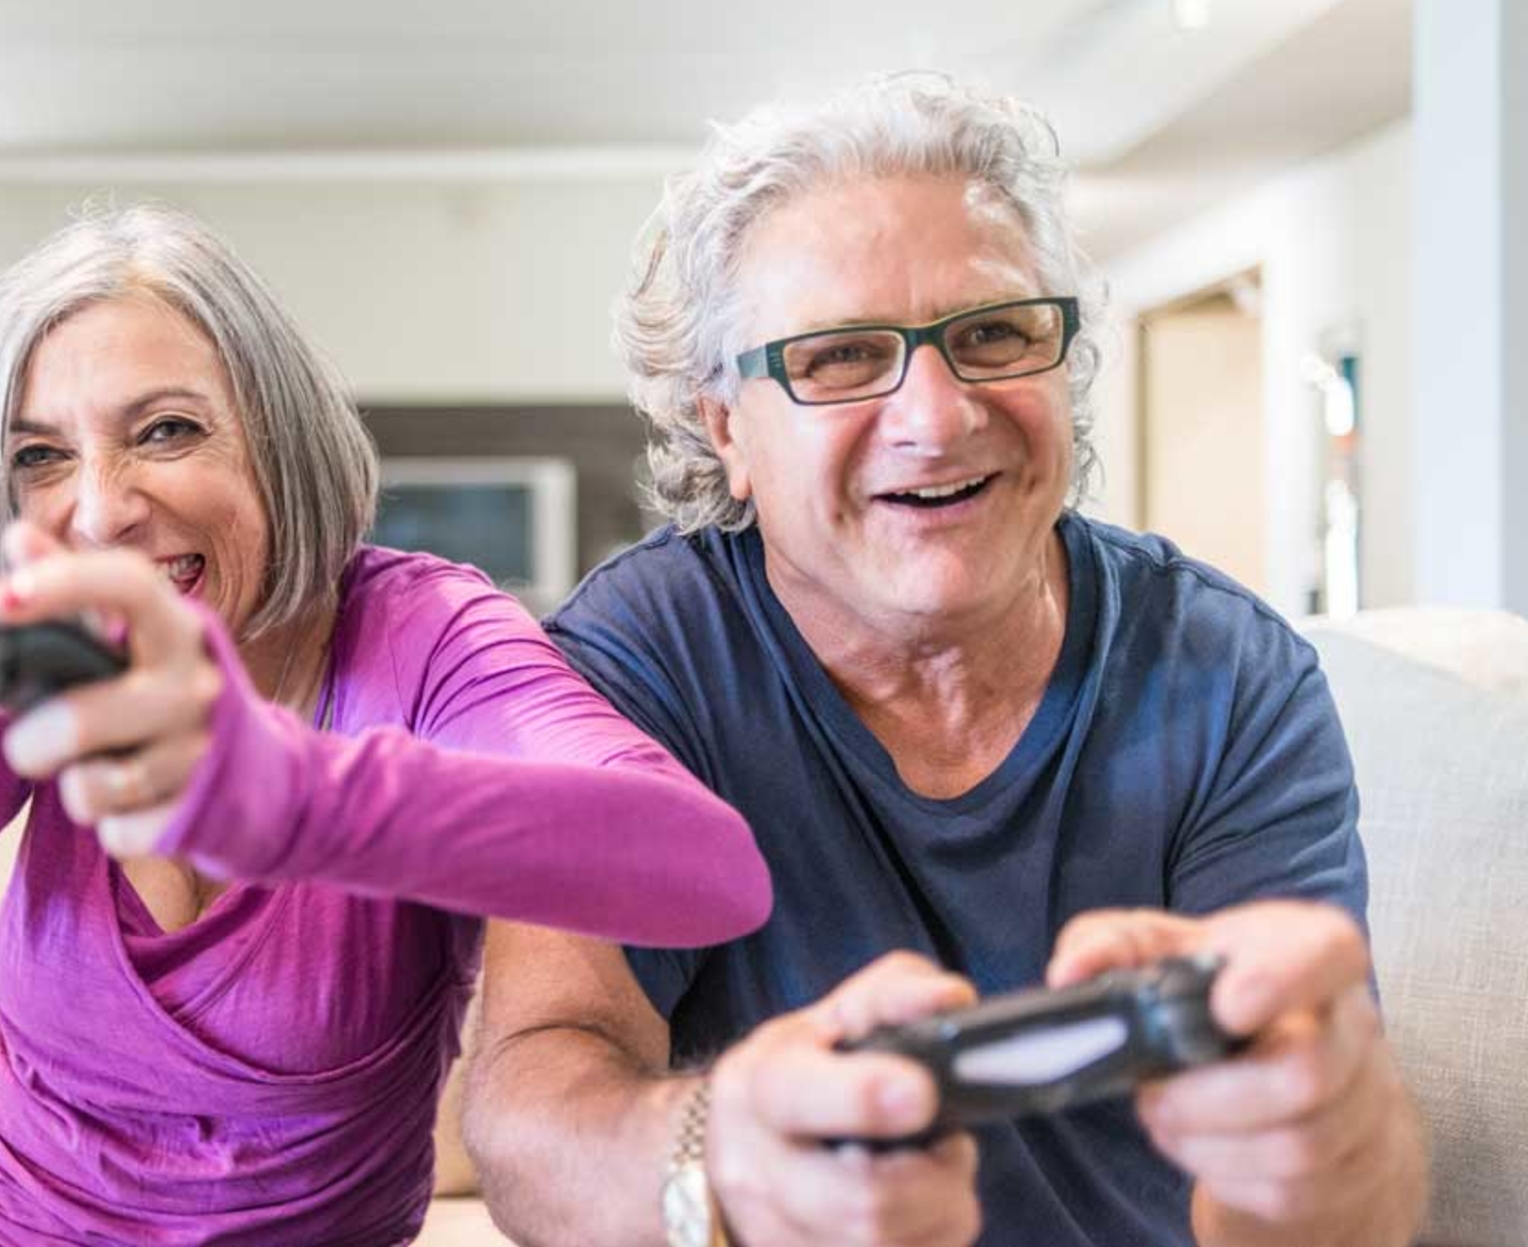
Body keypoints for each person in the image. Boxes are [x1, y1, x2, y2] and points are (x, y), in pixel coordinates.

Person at [0, 203, 772, 1246]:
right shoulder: (41, 647)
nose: (103, 508)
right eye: (41, 456)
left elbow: (705, 872)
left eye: (165, 429)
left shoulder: (423, 636)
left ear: (276, 435)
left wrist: (284, 795)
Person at [462, 74, 1428, 1247]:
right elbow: (530, 1098)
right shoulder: (638, 666)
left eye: (991, 334)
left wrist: (1316, 1146)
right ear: (728, 428)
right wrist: (723, 1156)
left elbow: (1327, 1202)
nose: (937, 413)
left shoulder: (1229, 675)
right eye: (841, 356)